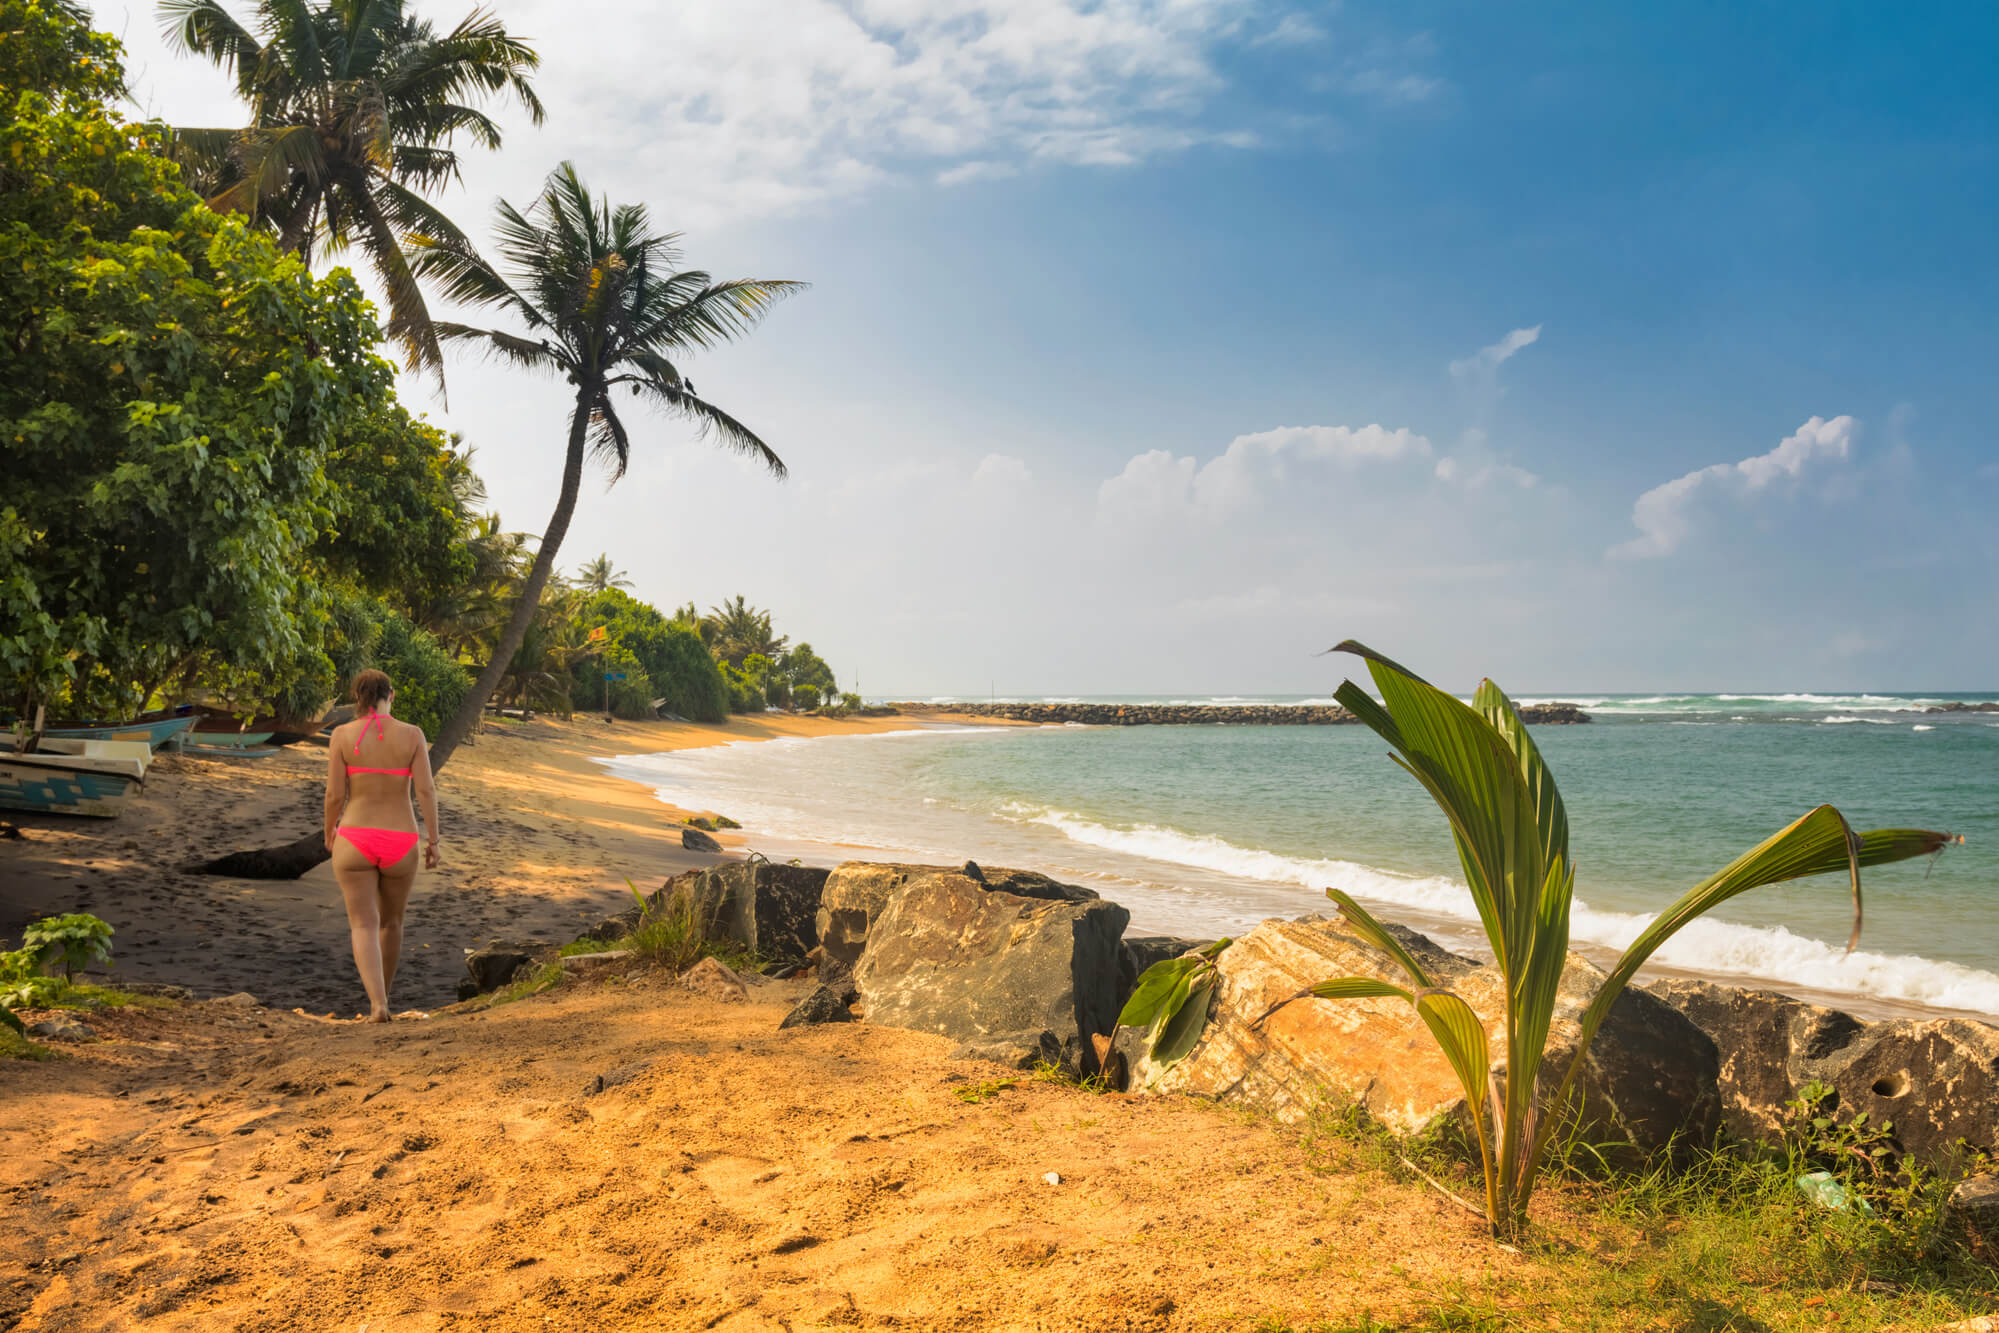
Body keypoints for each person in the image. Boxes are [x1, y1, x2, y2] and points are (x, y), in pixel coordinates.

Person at [323, 669, 439, 1022]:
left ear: (357, 697)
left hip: (355, 837)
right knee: (392, 923)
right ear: (393, 695)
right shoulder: (412, 735)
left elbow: (334, 794)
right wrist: (434, 839)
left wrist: (329, 831)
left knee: (363, 924)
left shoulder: (342, 735)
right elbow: (425, 791)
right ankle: (385, 998)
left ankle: (377, 1005)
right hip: (401, 839)